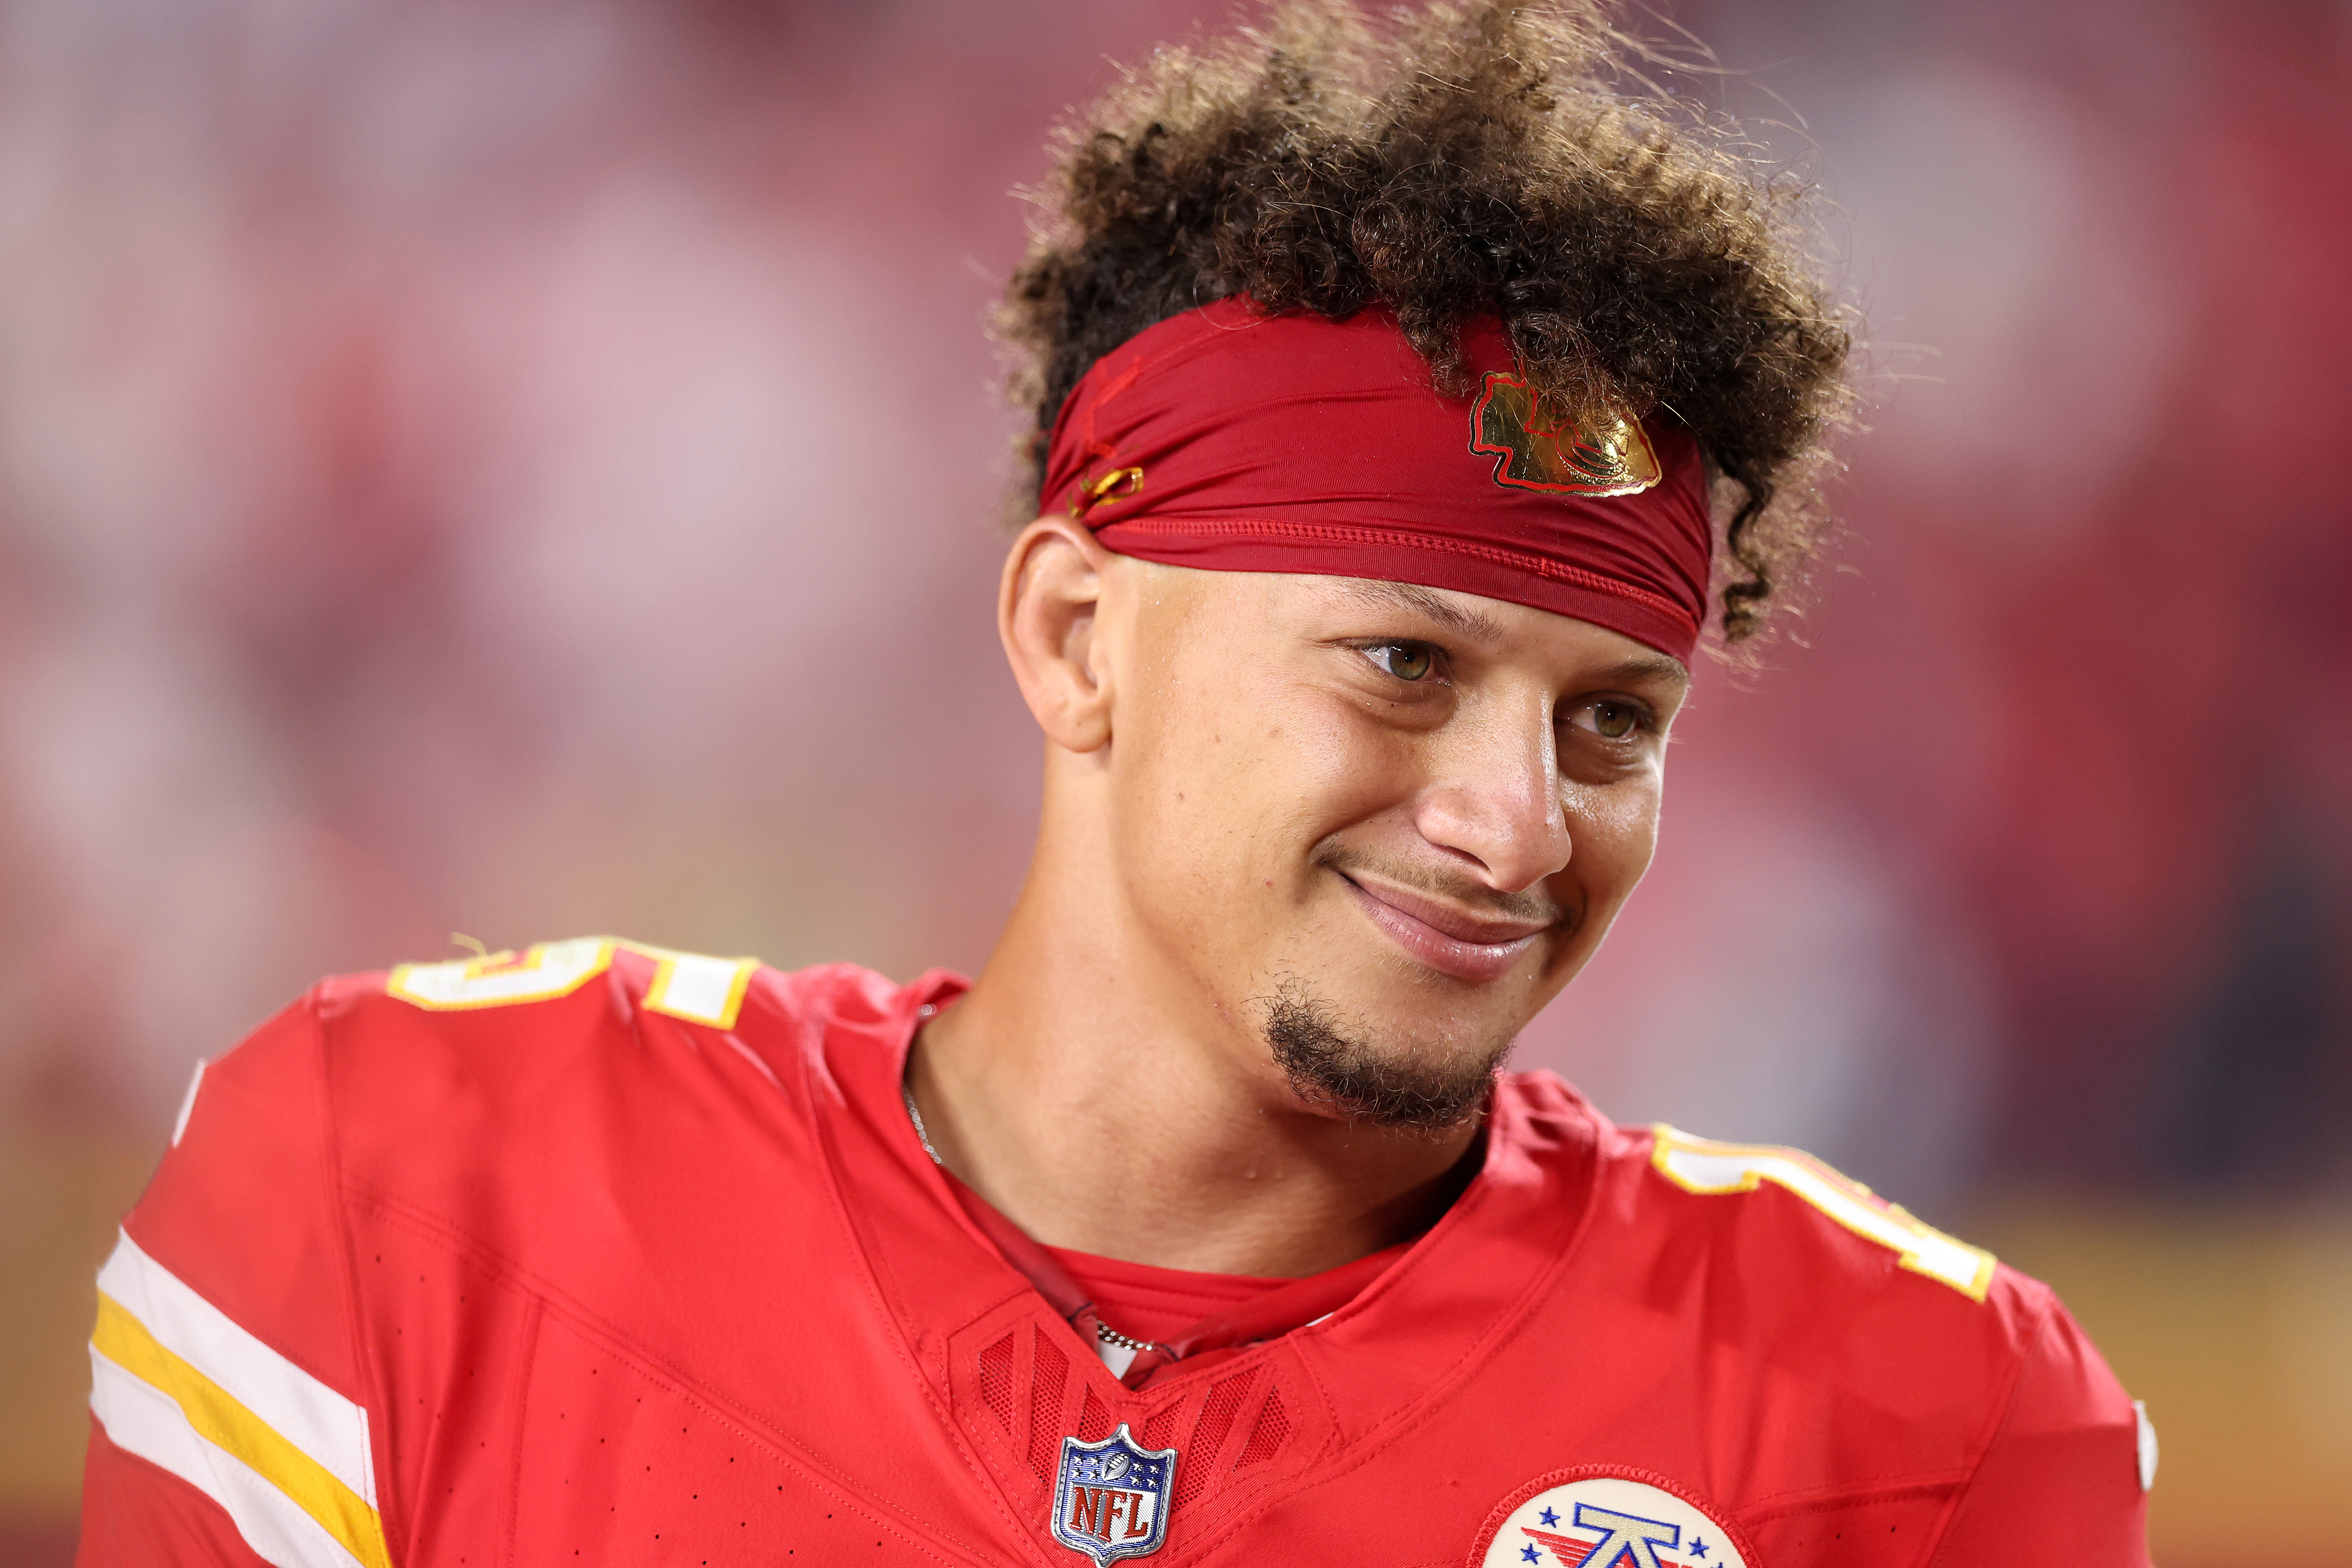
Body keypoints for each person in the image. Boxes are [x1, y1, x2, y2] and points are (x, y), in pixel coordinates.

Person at [75, 4, 2155, 1564]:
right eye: (1405, 667)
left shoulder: (1919, 1420)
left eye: (1612, 718)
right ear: (1077, 638)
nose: (1519, 823)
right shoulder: (410, 1192)